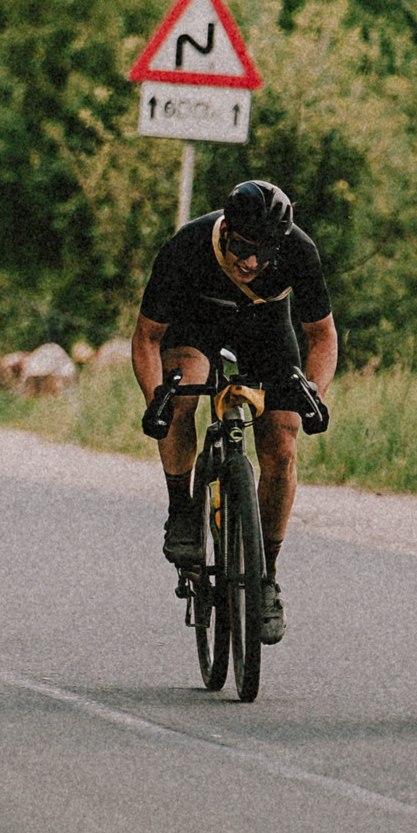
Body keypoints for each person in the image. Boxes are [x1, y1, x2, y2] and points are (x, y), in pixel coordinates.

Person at [132, 179, 338, 645]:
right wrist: (156, 401)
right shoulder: (187, 245)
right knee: (181, 395)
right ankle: (183, 509)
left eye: (264, 254)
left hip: (266, 329)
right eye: (243, 247)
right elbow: (146, 338)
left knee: (282, 445)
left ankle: (266, 576)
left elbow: (322, 337)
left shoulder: (299, 252)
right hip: (196, 324)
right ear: (225, 229)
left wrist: (315, 394)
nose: (251, 262)